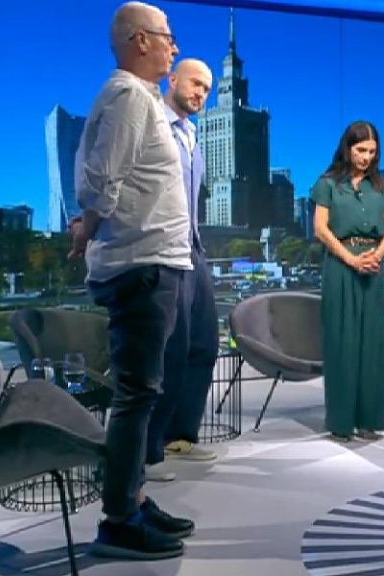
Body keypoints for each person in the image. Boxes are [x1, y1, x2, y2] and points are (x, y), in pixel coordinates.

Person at [70, 1, 194, 559]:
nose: (174, 46)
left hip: (155, 262)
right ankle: (119, 518)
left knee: (144, 391)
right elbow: (102, 179)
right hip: (140, 265)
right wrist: (86, 229)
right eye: (167, 36)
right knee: (136, 394)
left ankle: (134, 499)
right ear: (140, 40)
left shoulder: (141, 98)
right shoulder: (127, 97)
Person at [144, 58, 219, 483]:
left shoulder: (192, 135)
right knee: (169, 351)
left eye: (207, 89)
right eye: (195, 84)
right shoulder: (152, 125)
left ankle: (180, 436)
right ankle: (148, 450)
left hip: (193, 248)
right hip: (162, 250)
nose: (200, 94)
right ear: (172, 79)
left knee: (204, 345)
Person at [311, 121, 384, 442]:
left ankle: (369, 420)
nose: (366, 157)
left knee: (372, 344)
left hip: (373, 267)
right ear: (347, 148)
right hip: (341, 266)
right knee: (342, 342)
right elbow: (321, 229)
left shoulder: (381, 186)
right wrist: (351, 259)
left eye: (372, 152)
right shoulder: (328, 184)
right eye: (361, 150)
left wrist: (378, 256)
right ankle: (341, 422)